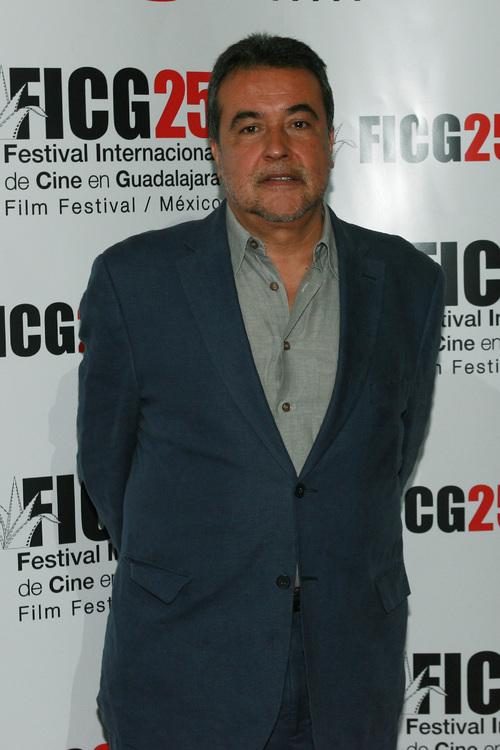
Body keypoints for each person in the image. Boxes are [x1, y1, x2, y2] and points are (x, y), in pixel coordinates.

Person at [77, 33, 445, 750]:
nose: (277, 148)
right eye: (249, 127)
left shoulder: (410, 282)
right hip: (185, 663)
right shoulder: (134, 281)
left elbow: (393, 455)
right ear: (215, 148)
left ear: (331, 140)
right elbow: (106, 468)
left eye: (298, 122)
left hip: (350, 669)